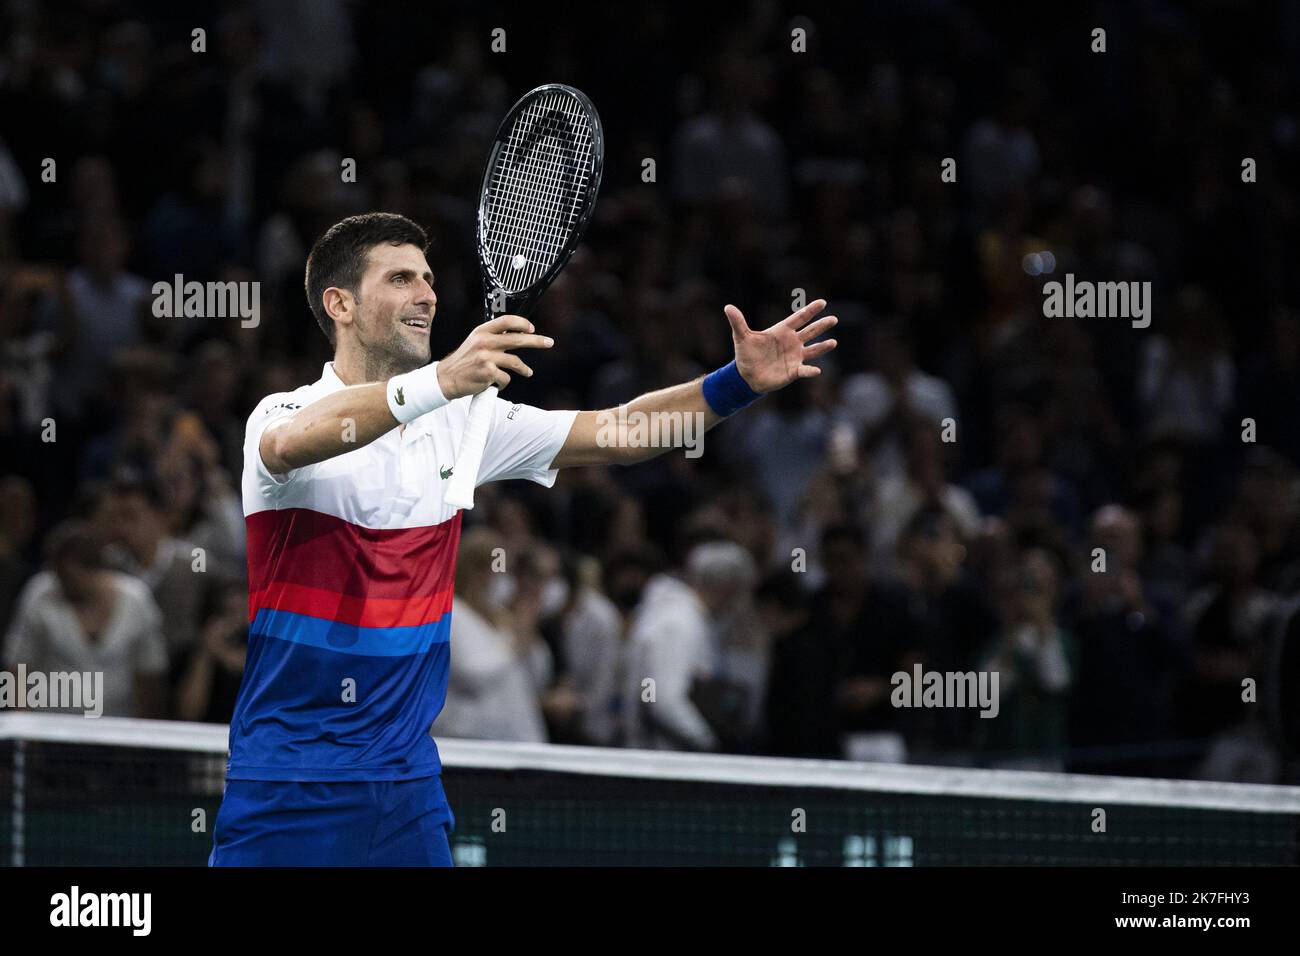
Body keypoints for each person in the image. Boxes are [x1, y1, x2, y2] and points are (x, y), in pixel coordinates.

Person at [209, 212, 838, 866]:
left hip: (405, 789)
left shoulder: (462, 424)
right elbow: (296, 442)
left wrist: (732, 385)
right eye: (400, 278)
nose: (426, 294)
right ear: (339, 303)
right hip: (288, 781)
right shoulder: (282, 413)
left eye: (428, 279)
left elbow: (619, 433)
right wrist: (443, 380)